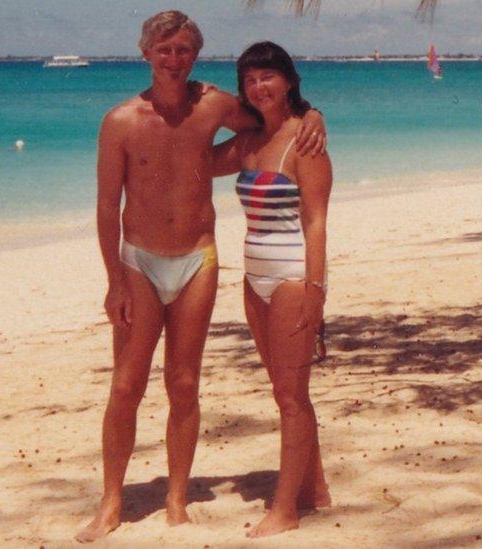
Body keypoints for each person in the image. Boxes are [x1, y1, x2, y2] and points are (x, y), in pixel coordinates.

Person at [76, 12, 326, 543]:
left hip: (199, 258)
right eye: (164, 49)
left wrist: (314, 116)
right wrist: (114, 281)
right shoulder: (119, 121)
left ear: (196, 54)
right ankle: (111, 499)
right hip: (138, 261)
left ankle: (175, 499)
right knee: (126, 384)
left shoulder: (214, 104)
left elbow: (270, 119)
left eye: (184, 49)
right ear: (146, 52)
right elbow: (104, 207)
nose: (174, 58)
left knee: (185, 382)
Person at [211, 41, 332, 538]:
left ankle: (285, 510)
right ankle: (317, 491)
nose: (259, 87)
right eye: (249, 80)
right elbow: (193, 153)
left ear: (288, 79)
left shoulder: (305, 141)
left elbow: (317, 222)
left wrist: (316, 290)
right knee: (286, 391)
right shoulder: (249, 143)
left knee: (291, 396)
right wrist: (216, 107)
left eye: (267, 77)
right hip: (252, 276)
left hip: (290, 277)